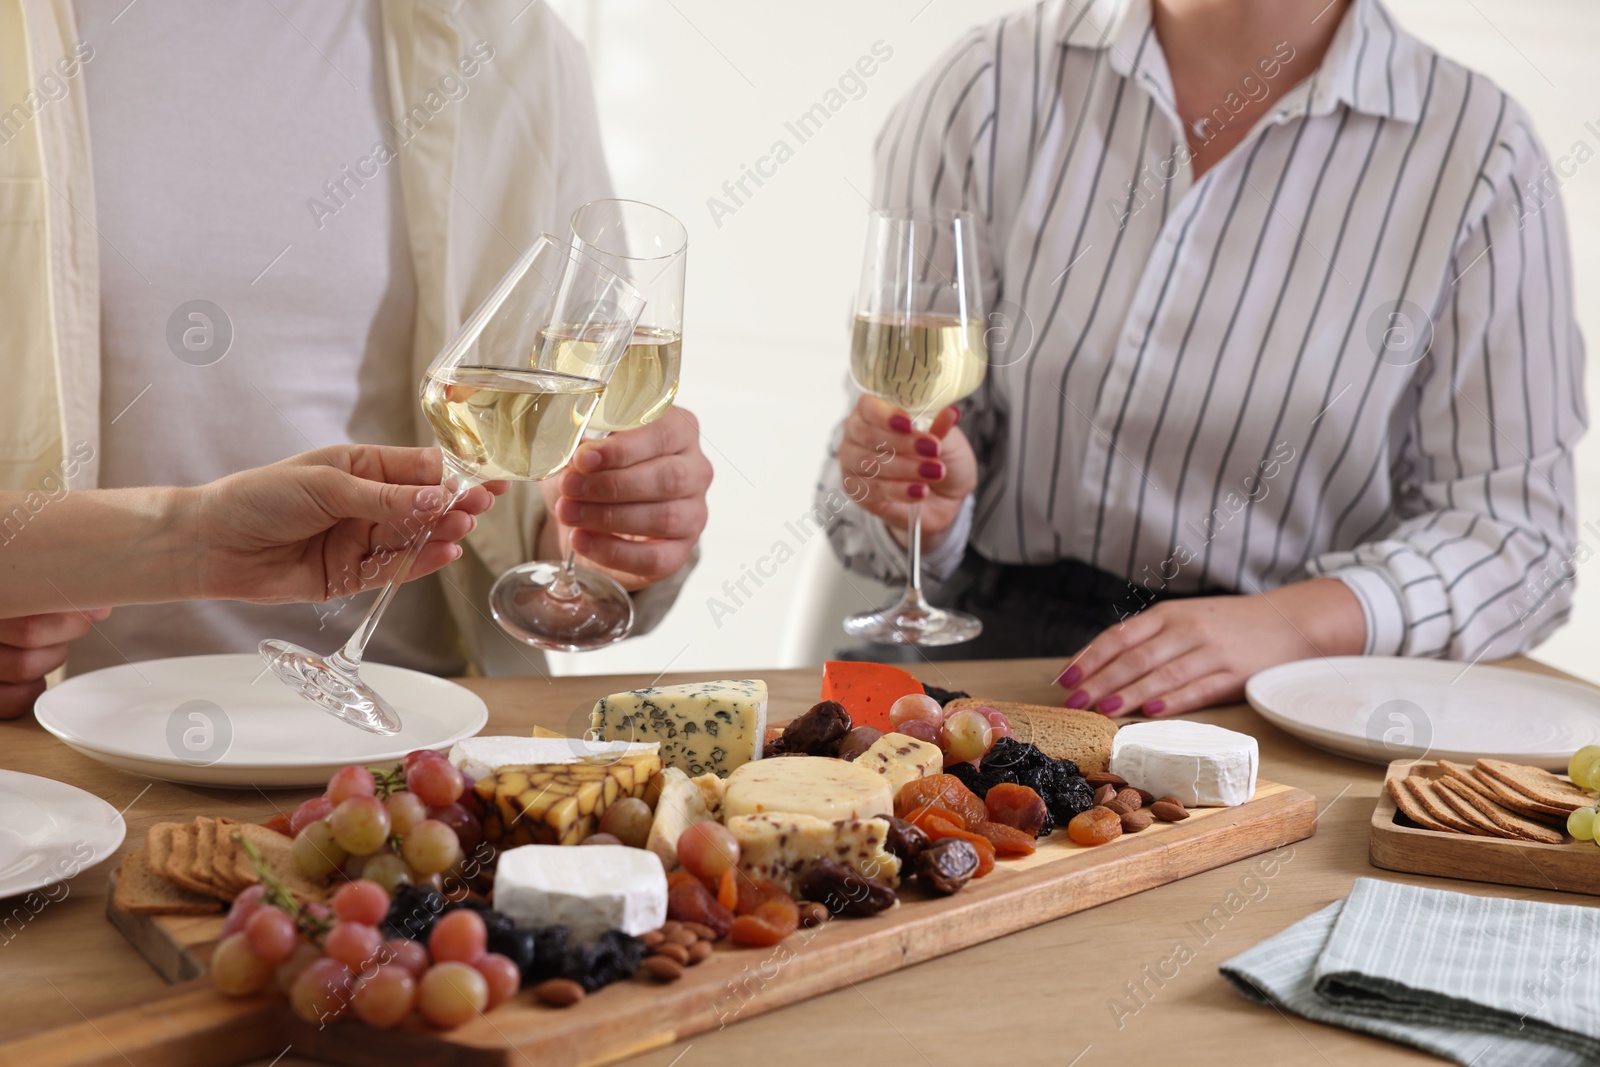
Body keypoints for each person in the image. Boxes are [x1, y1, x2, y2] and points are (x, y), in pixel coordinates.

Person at [822, 0, 1583, 717]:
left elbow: (1519, 544)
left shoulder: (1480, 153)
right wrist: (917, 501)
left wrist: (1295, 624)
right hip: (988, 664)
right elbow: (878, 461)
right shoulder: (987, 84)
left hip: (1288, 696)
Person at [0, 4, 713, 709]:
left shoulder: (512, 40)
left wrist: (604, 533)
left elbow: (557, 465)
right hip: (59, 751)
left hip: (419, 742)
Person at [0, 446, 501, 716]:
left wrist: (200, 536)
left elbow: (516, 528)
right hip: (83, 720)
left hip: (426, 716)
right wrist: (200, 534)